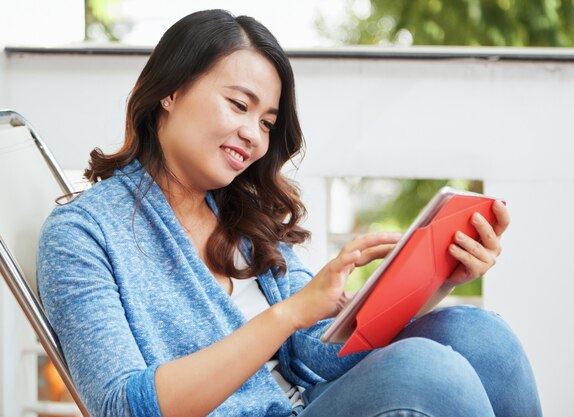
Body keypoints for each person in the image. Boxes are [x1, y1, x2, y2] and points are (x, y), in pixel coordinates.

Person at [37, 9, 542, 417]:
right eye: (239, 105)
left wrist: (432, 279)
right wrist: (289, 314)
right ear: (170, 90)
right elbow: (122, 406)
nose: (255, 136)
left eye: (267, 121)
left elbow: (314, 357)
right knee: (426, 370)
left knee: (482, 333)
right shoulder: (83, 233)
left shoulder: (244, 213)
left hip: (307, 401)